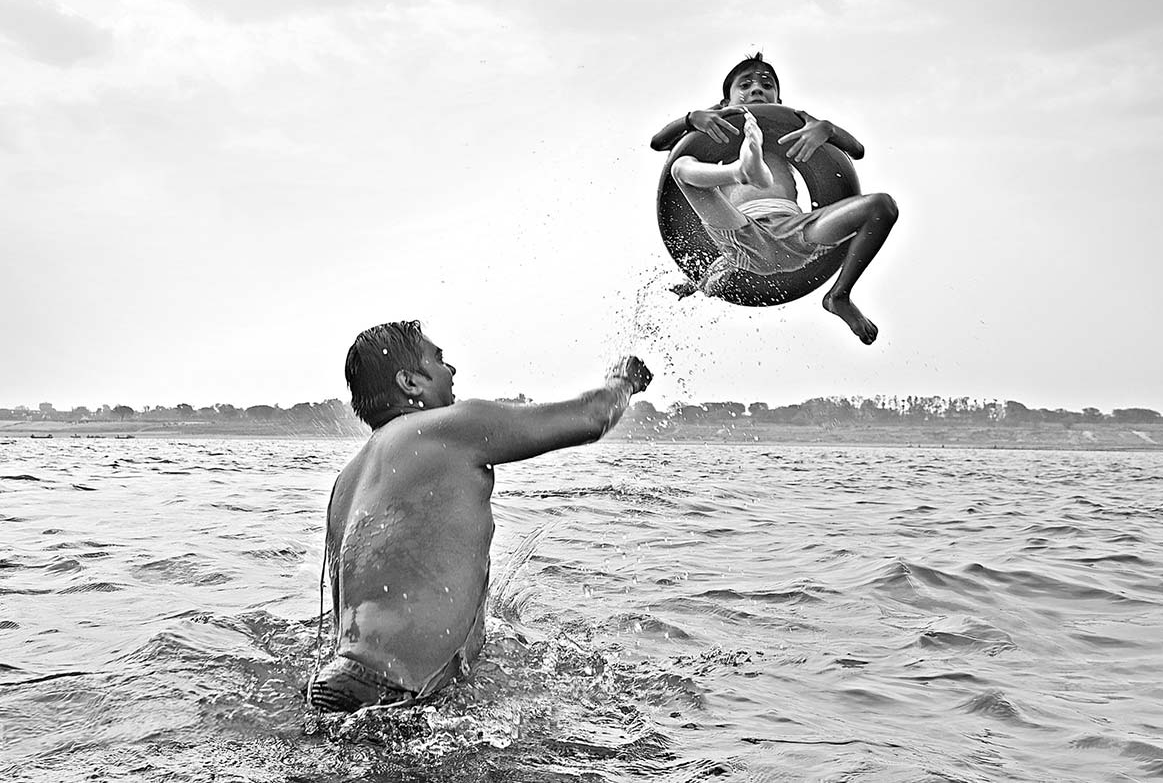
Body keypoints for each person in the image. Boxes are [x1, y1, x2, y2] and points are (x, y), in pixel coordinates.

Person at [307, 320, 652, 712]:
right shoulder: (446, 429)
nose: (451, 370)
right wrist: (623, 380)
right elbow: (591, 418)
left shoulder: (346, 481)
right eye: (438, 360)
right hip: (397, 694)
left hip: (336, 685)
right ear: (409, 382)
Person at [650, 53, 898, 345]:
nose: (757, 89)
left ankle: (839, 295)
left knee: (883, 206)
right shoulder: (713, 128)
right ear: (724, 104)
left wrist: (825, 129)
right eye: (745, 85)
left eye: (766, 85)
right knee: (681, 168)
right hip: (739, 232)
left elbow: (856, 150)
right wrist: (691, 119)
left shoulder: (798, 126)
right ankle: (741, 171)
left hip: (798, 231)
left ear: (778, 103)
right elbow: (659, 143)